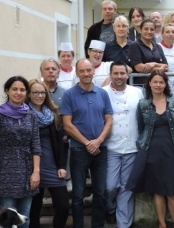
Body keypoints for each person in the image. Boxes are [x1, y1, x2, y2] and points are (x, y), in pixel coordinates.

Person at [126, 70, 174, 228]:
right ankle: (162, 224)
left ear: (166, 84)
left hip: (172, 149)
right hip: (151, 150)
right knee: (158, 190)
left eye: (161, 82)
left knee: (172, 190)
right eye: (155, 82)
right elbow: (141, 127)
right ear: (149, 83)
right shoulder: (143, 104)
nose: (158, 85)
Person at [61, 58, 114, 228]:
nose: (86, 74)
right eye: (82, 71)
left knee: (100, 193)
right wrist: (87, 143)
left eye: (88, 70)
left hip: (101, 150)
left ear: (93, 71)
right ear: (77, 73)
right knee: (78, 195)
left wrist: (98, 141)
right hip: (79, 151)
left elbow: (109, 120)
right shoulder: (69, 95)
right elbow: (67, 125)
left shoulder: (102, 93)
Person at [0, 76, 40, 228]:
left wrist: (36, 172)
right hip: (5, 173)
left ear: (27, 92)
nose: (18, 93)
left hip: (27, 173)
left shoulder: (31, 115)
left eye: (22, 89)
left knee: (24, 219)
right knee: (7, 223)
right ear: (7, 91)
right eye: (14, 89)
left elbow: (36, 145)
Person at [102, 61, 143, 227]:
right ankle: (110, 209)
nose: (119, 77)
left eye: (122, 73)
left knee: (126, 188)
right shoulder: (102, 93)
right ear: (110, 75)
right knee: (110, 186)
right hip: (111, 146)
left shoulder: (137, 92)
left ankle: (123, 224)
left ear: (127, 75)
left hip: (132, 145)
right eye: (116, 73)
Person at [27, 79, 69, 228]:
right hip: (31, 170)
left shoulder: (52, 114)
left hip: (52, 167)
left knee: (63, 207)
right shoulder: (24, 114)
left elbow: (60, 143)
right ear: (29, 94)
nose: (39, 95)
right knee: (34, 211)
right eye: (35, 92)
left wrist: (62, 165)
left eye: (42, 92)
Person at [129, 19, 168, 86]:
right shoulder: (134, 45)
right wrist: (160, 69)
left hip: (157, 85)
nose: (149, 31)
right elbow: (139, 68)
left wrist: (153, 64)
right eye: (146, 29)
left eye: (152, 29)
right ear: (140, 30)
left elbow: (166, 66)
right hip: (141, 85)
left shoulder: (158, 47)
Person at [159, 23, 174, 98]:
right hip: (162, 82)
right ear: (162, 34)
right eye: (167, 32)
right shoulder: (157, 47)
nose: (170, 34)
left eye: (173, 32)